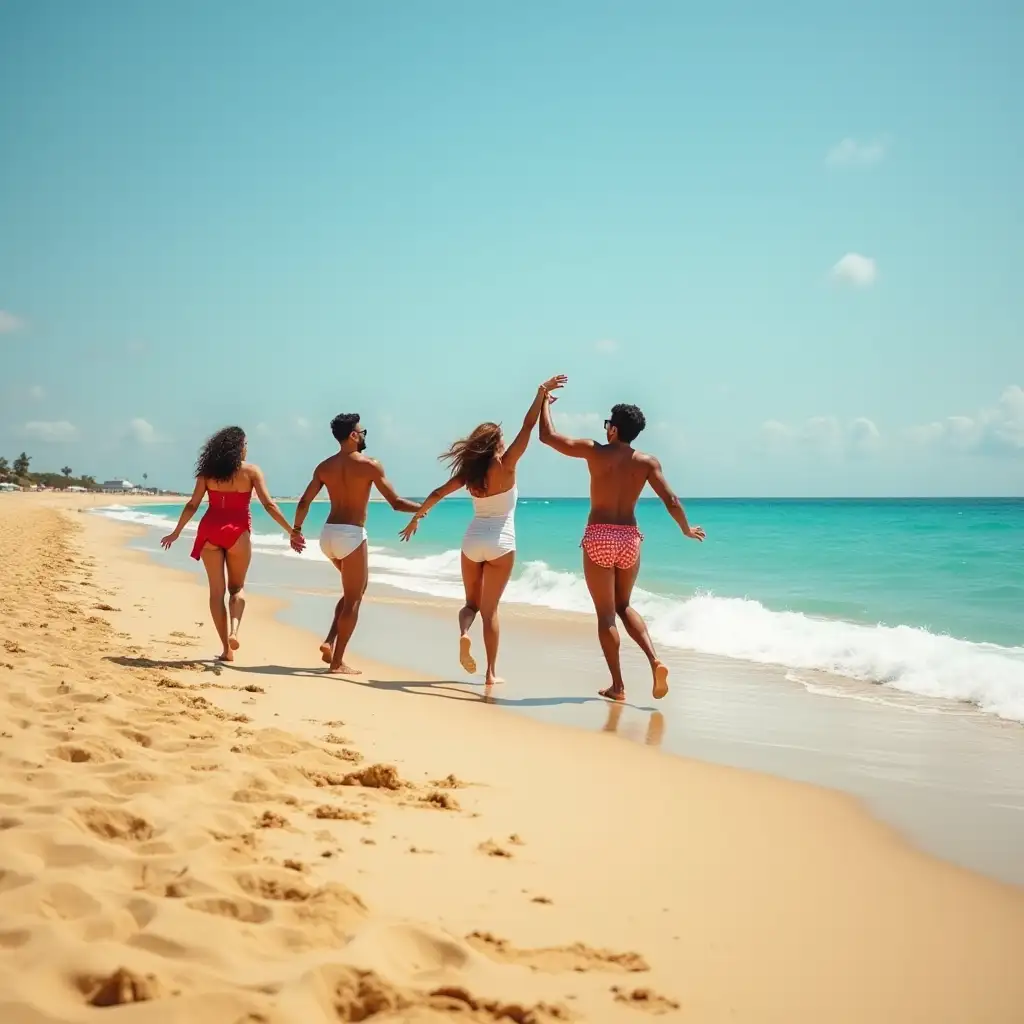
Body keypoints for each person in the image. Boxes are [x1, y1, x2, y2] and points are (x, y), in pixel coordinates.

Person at [399, 375, 567, 686]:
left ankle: (464, 633)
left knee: (471, 605)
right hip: (502, 543)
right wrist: (540, 395)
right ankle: (490, 673)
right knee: (491, 613)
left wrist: (417, 518)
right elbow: (529, 427)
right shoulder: (508, 463)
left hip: (472, 541)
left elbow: (436, 493)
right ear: (497, 443)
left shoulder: (469, 474)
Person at [538, 396, 705, 701]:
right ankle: (655, 660)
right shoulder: (647, 462)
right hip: (629, 537)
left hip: (599, 535)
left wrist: (543, 401)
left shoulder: (594, 452)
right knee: (624, 606)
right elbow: (672, 501)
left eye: (607, 425)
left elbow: (547, 436)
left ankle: (618, 686)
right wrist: (686, 529)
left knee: (606, 616)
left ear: (613, 429)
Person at [292, 413, 420, 675]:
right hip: (351, 535)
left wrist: (296, 530)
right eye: (362, 432)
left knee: (355, 590)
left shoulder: (324, 466)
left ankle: (329, 642)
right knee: (354, 598)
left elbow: (304, 502)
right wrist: (424, 508)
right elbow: (395, 503)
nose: (364, 436)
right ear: (352, 435)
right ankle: (337, 663)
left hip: (328, 535)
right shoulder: (370, 465)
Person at [160, 425, 301, 661]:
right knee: (237, 588)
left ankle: (226, 649)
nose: (246, 449)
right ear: (238, 448)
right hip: (237, 532)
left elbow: (193, 505)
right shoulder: (252, 471)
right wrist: (291, 531)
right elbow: (269, 505)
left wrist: (176, 532)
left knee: (216, 593)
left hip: (209, 530)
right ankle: (235, 630)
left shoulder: (207, 473)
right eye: (245, 445)